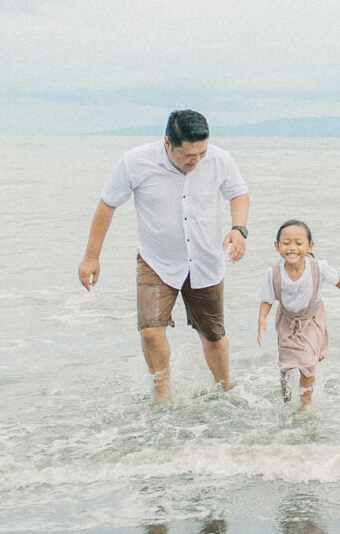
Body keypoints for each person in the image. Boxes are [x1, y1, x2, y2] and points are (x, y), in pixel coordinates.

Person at [78, 110, 249, 401]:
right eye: (189, 156)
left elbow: (239, 193)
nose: (196, 161)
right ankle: (163, 395)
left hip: (205, 261)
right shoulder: (135, 162)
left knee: (213, 334)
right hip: (156, 261)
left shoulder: (220, 159)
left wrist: (239, 229)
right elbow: (107, 205)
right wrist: (91, 256)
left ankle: (224, 390)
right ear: (168, 143)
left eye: (202, 153)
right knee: (150, 331)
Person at [257, 220, 340, 411]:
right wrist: (262, 319)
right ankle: (287, 401)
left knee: (307, 363)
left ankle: (305, 405)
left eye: (298, 243)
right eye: (286, 243)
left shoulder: (318, 268)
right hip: (286, 321)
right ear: (277, 246)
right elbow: (267, 299)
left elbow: (339, 281)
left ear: (309, 246)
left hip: (312, 320)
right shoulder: (273, 273)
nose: (292, 248)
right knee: (286, 366)